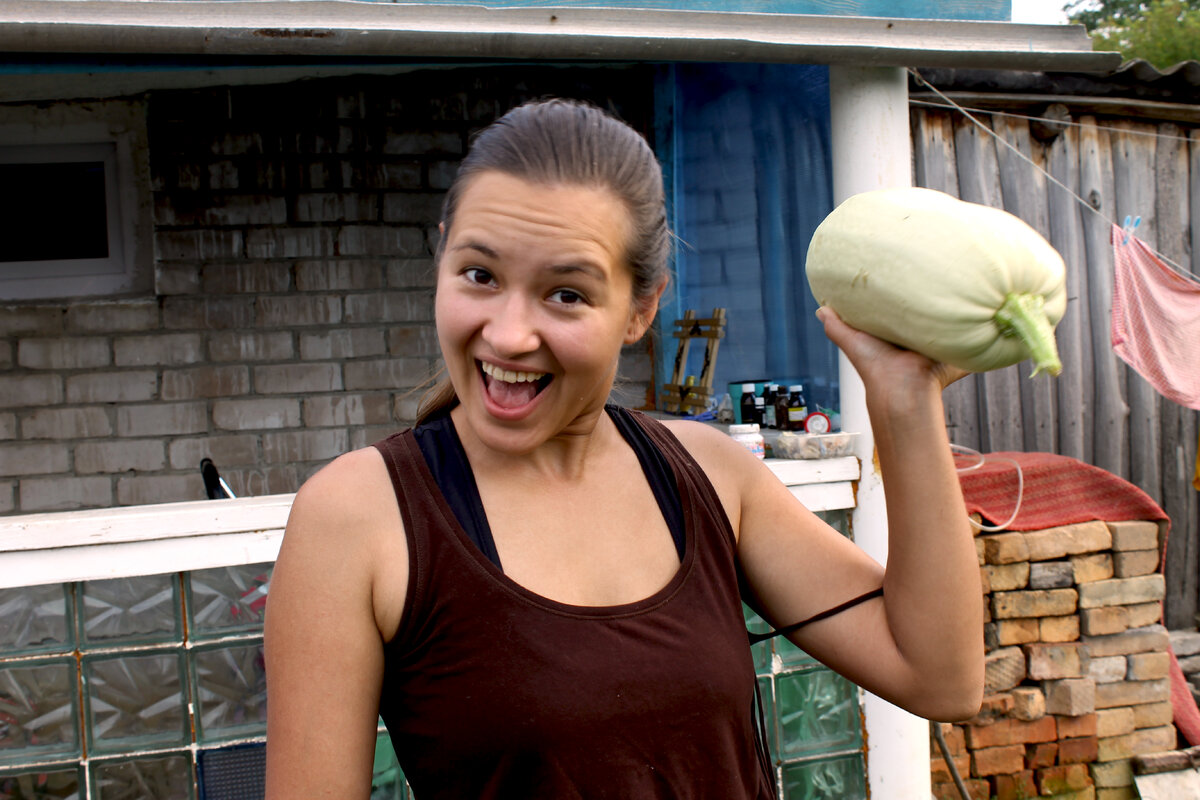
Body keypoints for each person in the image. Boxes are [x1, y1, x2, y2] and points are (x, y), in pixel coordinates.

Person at [263, 98, 984, 800]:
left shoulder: (706, 475)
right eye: (479, 275)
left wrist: (906, 400)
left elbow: (940, 677)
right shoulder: (361, 517)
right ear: (442, 258)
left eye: (566, 294)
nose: (510, 334)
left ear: (641, 309)